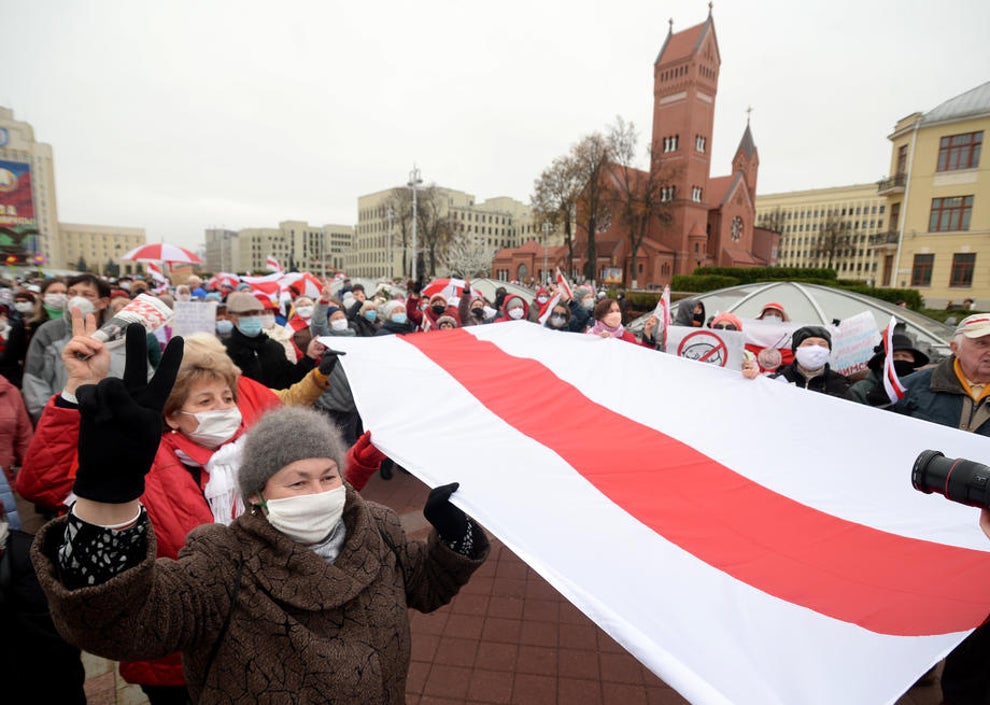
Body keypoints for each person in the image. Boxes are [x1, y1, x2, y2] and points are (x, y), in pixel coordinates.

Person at [30, 341, 488, 704]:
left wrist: (455, 537)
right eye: (297, 483)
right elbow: (112, 620)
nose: (319, 493)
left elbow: (425, 586)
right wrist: (108, 491)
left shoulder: (378, 527)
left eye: (328, 476)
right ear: (256, 496)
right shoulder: (220, 562)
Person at [893, 313, 990, 703]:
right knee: (919, 607)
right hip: (925, 522)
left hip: (983, 532)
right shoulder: (915, 387)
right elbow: (857, 420)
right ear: (955, 346)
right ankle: (915, 667)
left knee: (976, 639)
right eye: (982, 343)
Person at [22, 273, 136, 422]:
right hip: (66, 419)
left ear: (103, 302)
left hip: (116, 424)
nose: (77, 299)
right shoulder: (49, 332)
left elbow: (141, 376)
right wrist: (52, 418)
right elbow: (35, 381)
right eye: (72, 293)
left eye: (87, 294)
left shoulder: (121, 333)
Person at [222, 291, 318, 390]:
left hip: (276, 403)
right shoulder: (224, 351)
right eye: (245, 314)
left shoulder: (274, 347)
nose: (252, 318)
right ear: (231, 318)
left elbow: (290, 378)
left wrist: (309, 358)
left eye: (255, 313)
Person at [847, 330, 929, 406]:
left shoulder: (925, 388)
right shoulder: (861, 389)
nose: (900, 359)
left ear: (913, 361)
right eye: (894, 356)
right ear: (882, 363)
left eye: (906, 356)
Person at [770, 325, 851, 397]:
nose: (816, 349)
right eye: (809, 344)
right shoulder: (776, 381)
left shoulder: (841, 385)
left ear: (829, 352)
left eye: (822, 345)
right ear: (795, 351)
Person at [709, 312, 761, 379]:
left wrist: (751, 371)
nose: (724, 330)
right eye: (719, 327)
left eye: (730, 328)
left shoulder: (747, 356)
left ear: (737, 331)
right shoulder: (703, 350)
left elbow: (758, 379)